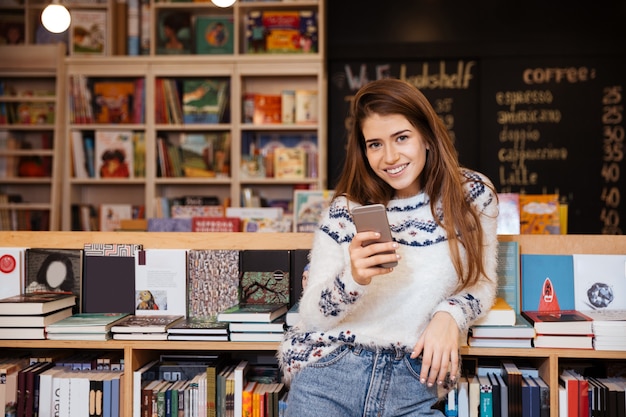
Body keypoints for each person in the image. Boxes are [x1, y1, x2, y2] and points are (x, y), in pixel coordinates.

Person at [279, 78, 499, 417]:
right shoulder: (345, 211)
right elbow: (311, 317)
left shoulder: (471, 194)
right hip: (330, 372)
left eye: (401, 138)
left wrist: (449, 315)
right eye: (375, 144)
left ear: (426, 135)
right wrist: (352, 279)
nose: (390, 157)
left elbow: (481, 283)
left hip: (414, 377)